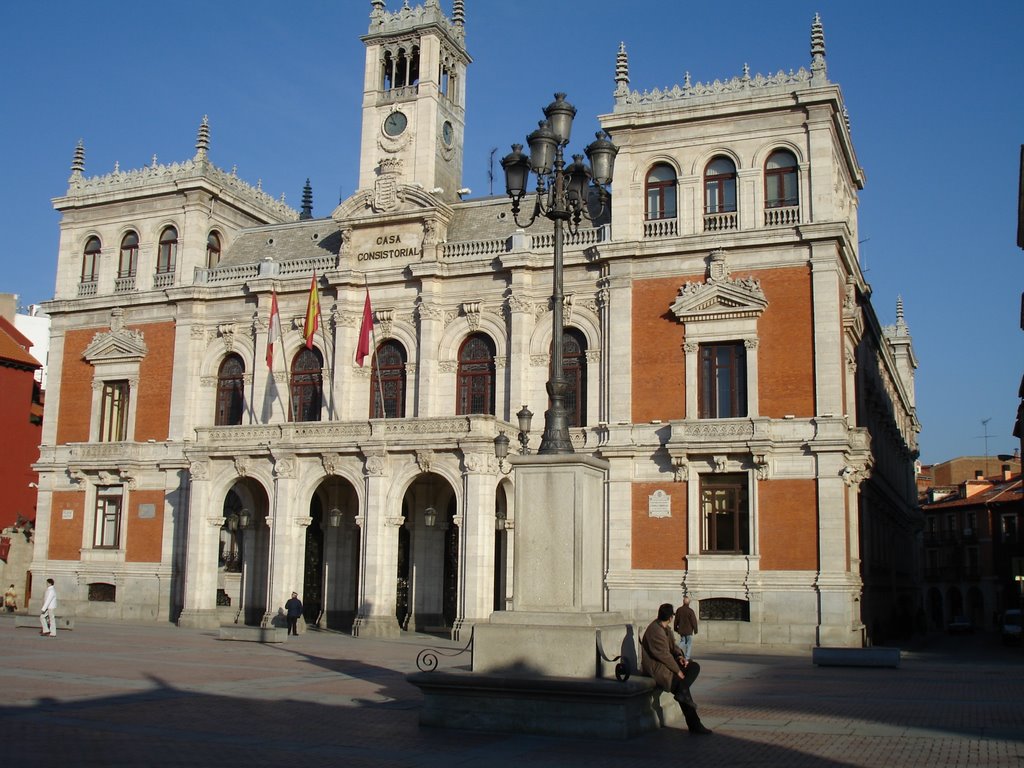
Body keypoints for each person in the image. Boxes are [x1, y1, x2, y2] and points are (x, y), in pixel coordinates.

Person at [641, 602, 712, 735]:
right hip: (657, 669)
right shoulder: (655, 631)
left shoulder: (665, 628)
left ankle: (682, 694)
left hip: (666, 666)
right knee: (681, 687)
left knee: (693, 667)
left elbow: (673, 647)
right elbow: (664, 656)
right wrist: (678, 670)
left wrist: (680, 657)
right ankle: (695, 724)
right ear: (670, 617)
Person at [673, 596, 698, 660]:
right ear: (689, 603)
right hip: (688, 630)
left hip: (681, 629)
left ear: (683, 602)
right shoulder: (690, 611)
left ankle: (676, 652)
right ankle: (687, 657)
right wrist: (695, 629)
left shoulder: (679, 610)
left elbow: (676, 620)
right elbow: (693, 620)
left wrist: (675, 628)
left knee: (683, 641)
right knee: (689, 643)